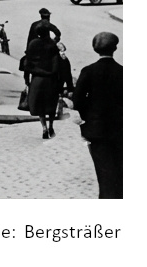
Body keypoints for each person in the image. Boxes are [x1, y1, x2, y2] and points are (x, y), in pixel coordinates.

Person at [73, 32, 123, 199]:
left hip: (96, 130)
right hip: (120, 129)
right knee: (120, 170)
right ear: (115, 48)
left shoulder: (88, 71)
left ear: (95, 49)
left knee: (104, 171)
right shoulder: (122, 72)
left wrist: (90, 115)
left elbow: (78, 100)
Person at [20, 28, 61, 139]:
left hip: (37, 79)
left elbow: (27, 63)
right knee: (51, 104)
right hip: (51, 80)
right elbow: (57, 63)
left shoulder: (33, 44)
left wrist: (26, 79)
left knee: (39, 105)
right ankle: (51, 125)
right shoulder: (52, 44)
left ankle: (44, 128)